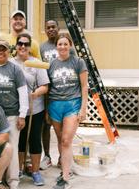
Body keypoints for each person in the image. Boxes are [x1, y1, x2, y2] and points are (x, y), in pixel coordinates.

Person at [0, 38, 29, 189]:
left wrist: (22, 115)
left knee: (12, 148)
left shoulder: (15, 69)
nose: (0, 52)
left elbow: (23, 93)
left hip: (12, 115)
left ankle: (13, 181)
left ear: (9, 51)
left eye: (4, 49)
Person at [47, 33, 88, 189]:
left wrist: (83, 108)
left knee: (66, 141)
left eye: (65, 44)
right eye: (60, 44)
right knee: (60, 141)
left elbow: (84, 87)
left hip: (72, 104)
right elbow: (49, 87)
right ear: (56, 46)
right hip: (55, 105)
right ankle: (65, 169)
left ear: (70, 46)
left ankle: (65, 177)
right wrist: (46, 111)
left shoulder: (78, 62)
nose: (62, 47)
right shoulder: (51, 64)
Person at [9, 33, 49, 186]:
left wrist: (36, 92)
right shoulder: (11, 63)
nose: (23, 47)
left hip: (35, 110)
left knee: (34, 141)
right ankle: (19, 169)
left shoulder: (37, 63)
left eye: (26, 44)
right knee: (19, 141)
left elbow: (45, 86)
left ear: (30, 46)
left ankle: (35, 171)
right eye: (20, 43)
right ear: (16, 45)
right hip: (17, 110)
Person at [40, 20, 77, 170]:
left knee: (66, 129)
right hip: (48, 89)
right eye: (47, 28)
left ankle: (64, 156)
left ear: (58, 28)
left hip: (65, 91)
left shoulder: (67, 46)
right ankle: (47, 156)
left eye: (53, 27)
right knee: (46, 125)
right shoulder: (42, 47)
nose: (50, 30)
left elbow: (74, 68)